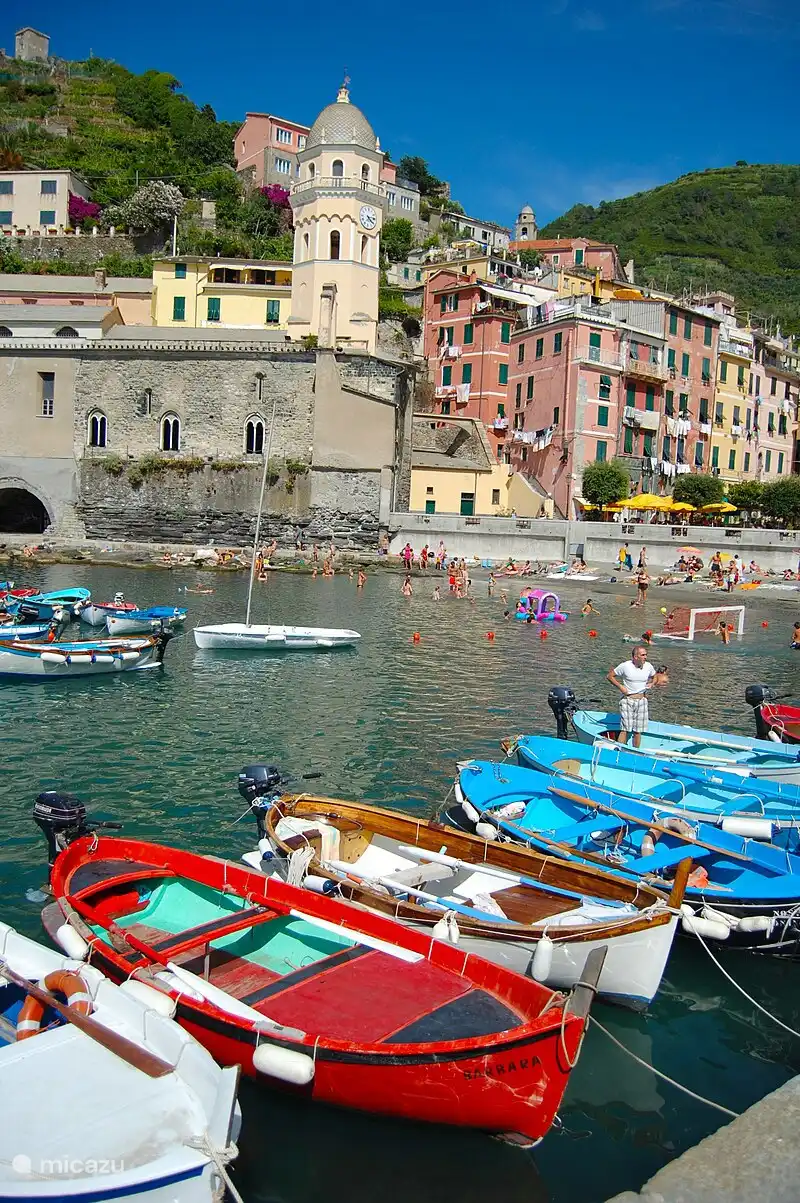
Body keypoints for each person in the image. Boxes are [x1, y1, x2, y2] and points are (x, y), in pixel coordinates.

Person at [607, 645, 668, 748]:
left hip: (642, 701)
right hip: (628, 700)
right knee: (625, 729)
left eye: (646, 655)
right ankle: (619, 752)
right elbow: (610, 676)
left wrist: (652, 684)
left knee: (638, 731)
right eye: (643, 655)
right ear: (635, 657)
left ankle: (635, 752)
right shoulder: (625, 666)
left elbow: (655, 676)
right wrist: (620, 686)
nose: (645, 657)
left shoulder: (648, 666)